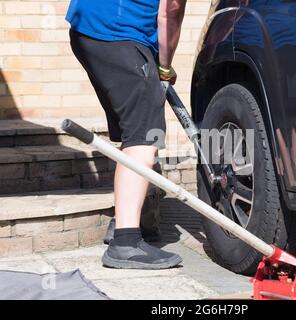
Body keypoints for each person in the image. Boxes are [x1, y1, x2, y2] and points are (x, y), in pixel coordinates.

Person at [66, 0, 186, 269]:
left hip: (87, 30)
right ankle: (126, 242)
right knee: (144, 137)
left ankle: (133, 220)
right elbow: (171, 9)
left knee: (135, 132)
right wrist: (164, 67)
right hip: (118, 32)